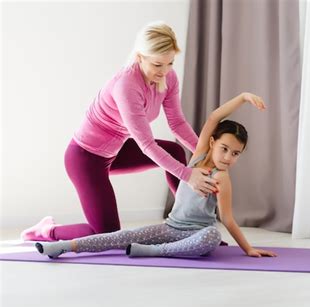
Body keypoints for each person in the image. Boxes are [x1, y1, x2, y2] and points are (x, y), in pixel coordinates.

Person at [20, 21, 218, 242]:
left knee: (174, 151)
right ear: (140, 56)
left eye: (170, 63)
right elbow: (146, 145)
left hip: (117, 151)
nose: (164, 72)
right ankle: (46, 231)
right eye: (157, 65)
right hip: (86, 158)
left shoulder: (167, 77)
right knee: (107, 237)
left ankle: (187, 224)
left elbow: (177, 124)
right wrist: (188, 174)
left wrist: (208, 156)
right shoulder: (126, 86)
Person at [35, 92, 277, 259]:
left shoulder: (222, 177)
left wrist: (249, 249)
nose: (228, 157)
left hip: (197, 234)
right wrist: (244, 97)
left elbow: (228, 219)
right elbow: (214, 117)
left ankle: (154, 251)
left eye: (235, 154)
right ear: (211, 143)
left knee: (212, 236)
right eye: (224, 149)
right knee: (125, 235)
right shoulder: (197, 156)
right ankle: (64, 246)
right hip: (171, 228)